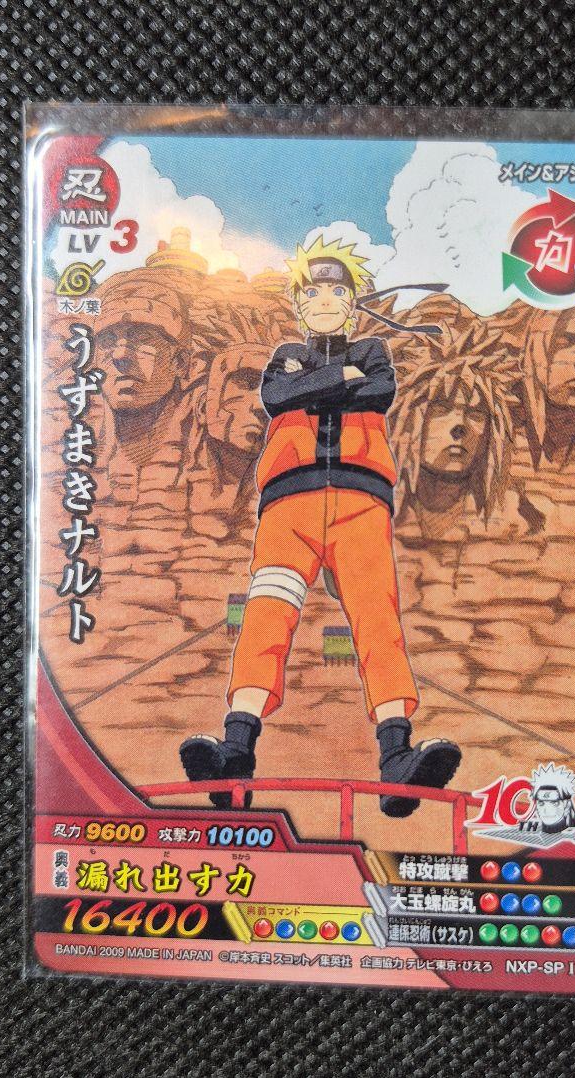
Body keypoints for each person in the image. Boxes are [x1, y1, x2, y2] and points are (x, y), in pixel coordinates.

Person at [180, 236, 460, 817]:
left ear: (353, 302)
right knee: (267, 613)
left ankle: (396, 756)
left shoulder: (374, 351)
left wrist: (316, 383)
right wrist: (340, 377)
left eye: (336, 291)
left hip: (361, 500)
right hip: (290, 504)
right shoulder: (285, 353)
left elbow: (378, 391)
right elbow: (276, 396)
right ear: (299, 304)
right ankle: (235, 751)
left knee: (377, 617)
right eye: (313, 292)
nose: (325, 300)